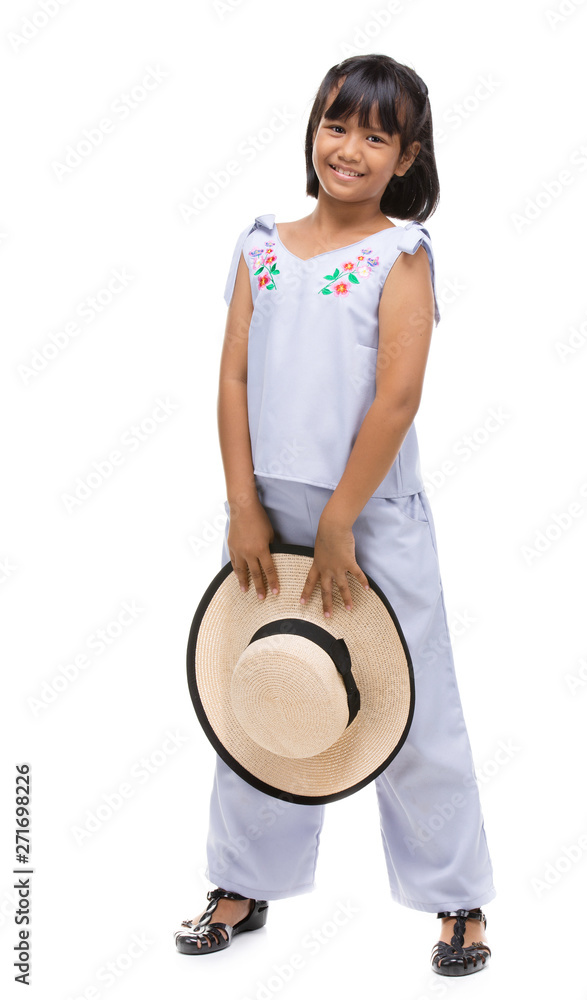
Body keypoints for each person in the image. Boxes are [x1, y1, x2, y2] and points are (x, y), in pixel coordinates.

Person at [175, 53, 496, 976]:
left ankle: (455, 895)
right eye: (334, 124)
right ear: (312, 127)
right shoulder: (261, 247)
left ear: (406, 157)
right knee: (263, 688)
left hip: (368, 517)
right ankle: (242, 881)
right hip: (266, 512)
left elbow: (396, 397)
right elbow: (233, 377)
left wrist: (341, 518)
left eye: (373, 135)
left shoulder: (399, 255)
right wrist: (243, 506)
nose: (347, 148)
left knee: (414, 704)